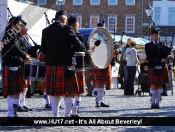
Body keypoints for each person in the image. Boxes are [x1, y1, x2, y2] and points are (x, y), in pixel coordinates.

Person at [41, 10, 91, 117]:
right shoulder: (68, 29)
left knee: (54, 93)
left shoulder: (45, 31)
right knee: (69, 93)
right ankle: (67, 115)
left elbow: (44, 50)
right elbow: (79, 46)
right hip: (67, 65)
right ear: (64, 19)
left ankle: (55, 116)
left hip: (51, 65)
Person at [67, 14, 96, 117]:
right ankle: (74, 111)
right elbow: (81, 50)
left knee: (69, 92)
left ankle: (69, 112)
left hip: (67, 66)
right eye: (78, 26)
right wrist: (89, 51)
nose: (78, 28)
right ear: (75, 26)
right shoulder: (78, 35)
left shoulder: (62, 34)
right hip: (78, 66)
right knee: (78, 91)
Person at [2, 17, 30, 117]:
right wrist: (24, 56)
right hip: (13, 64)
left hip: (11, 65)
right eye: (19, 24)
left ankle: (11, 114)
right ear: (13, 25)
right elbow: (15, 47)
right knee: (16, 91)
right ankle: (12, 115)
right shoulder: (11, 33)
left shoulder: (11, 33)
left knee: (11, 92)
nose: (21, 26)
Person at [90, 22, 118, 107]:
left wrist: (115, 51)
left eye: (103, 28)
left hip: (106, 61)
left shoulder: (108, 37)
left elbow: (114, 47)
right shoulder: (95, 37)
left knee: (103, 82)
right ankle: (97, 101)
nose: (102, 30)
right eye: (100, 29)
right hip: (97, 61)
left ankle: (101, 100)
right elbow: (96, 45)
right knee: (98, 82)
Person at [145, 29, 170, 109]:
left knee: (160, 85)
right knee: (153, 85)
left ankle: (157, 102)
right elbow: (150, 56)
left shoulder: (162, 45)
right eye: (154, 35)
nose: (156, 37)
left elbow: (164, 54)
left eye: (157, 35)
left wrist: (168, 56)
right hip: (153, 66)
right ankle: (152, 102)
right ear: (151, 36)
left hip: (161, 67)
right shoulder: (148, 45)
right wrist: (160, 60)